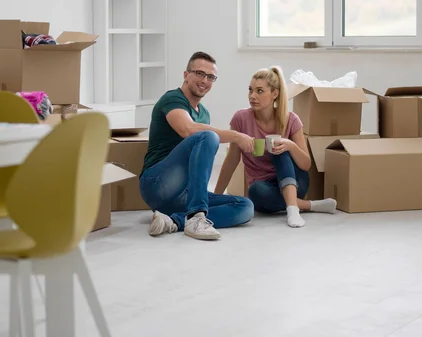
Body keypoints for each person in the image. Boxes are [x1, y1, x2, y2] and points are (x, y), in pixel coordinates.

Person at [140, 51, 255, 240]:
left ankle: (174, 221)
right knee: (208, 136)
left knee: (245, 207)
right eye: (200, 73)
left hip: (184, 196)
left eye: (210, 77)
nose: (205, 80)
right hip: (157, 183)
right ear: (186, 75)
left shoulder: (204, 114)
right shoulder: (173, 99)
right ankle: (195, 217)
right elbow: (187, 129)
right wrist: (235, 135)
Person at [214, 66, 337, 228]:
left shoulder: (291, 119)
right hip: (265, 189)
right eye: (250, 90)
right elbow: (231, 161)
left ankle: (293, 209)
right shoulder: (241, 119)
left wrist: (290, 145)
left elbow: (306, 165)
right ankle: (309, 205)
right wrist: (214, 197)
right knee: (255, 192)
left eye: (259, 91)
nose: (252, 96)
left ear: (274, 94)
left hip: (295, 181)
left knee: (280, 149)